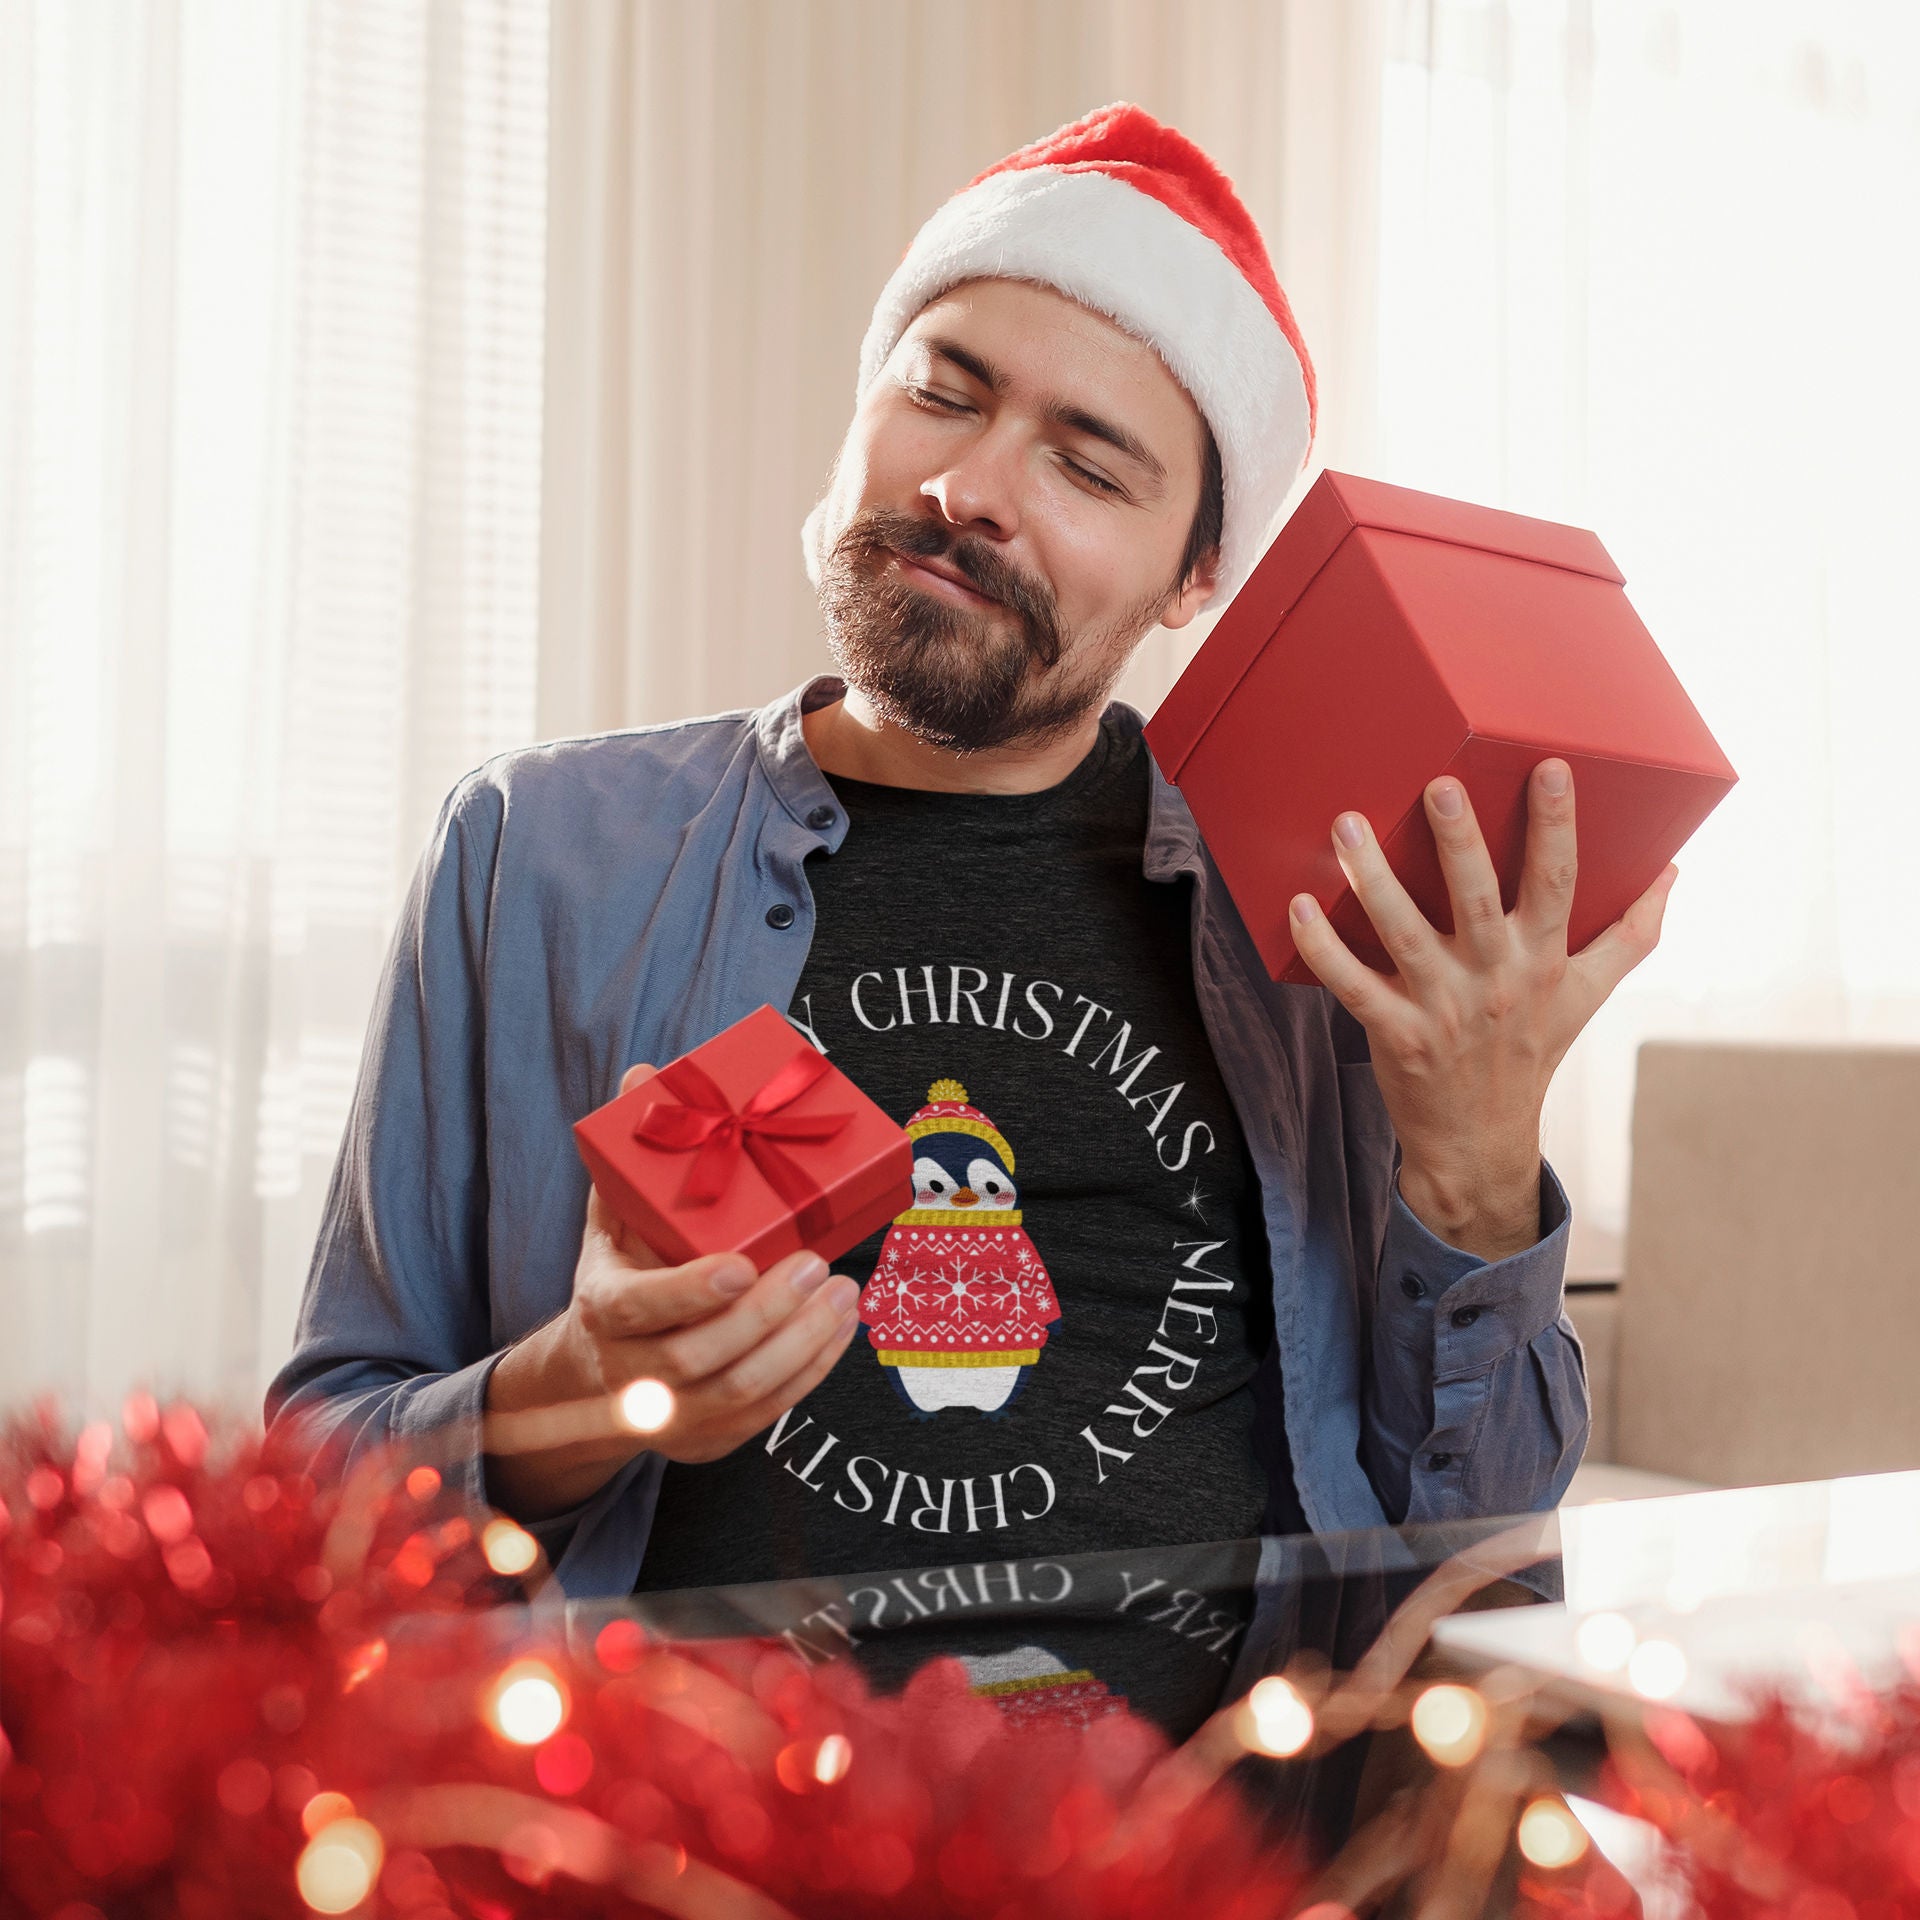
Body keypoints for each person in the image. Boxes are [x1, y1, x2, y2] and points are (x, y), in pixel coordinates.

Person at [267, 103, 1672, 1609]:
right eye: (943, 394)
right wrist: (582, 1392)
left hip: (1218, 1831)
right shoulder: (538, 857)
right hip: (693, 1827)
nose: (973, 488)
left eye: (1089, 466)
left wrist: (1472, 1165)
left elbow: (1485, 1574)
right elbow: (309, 1486)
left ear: (1197, 576)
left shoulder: (1315, 916)